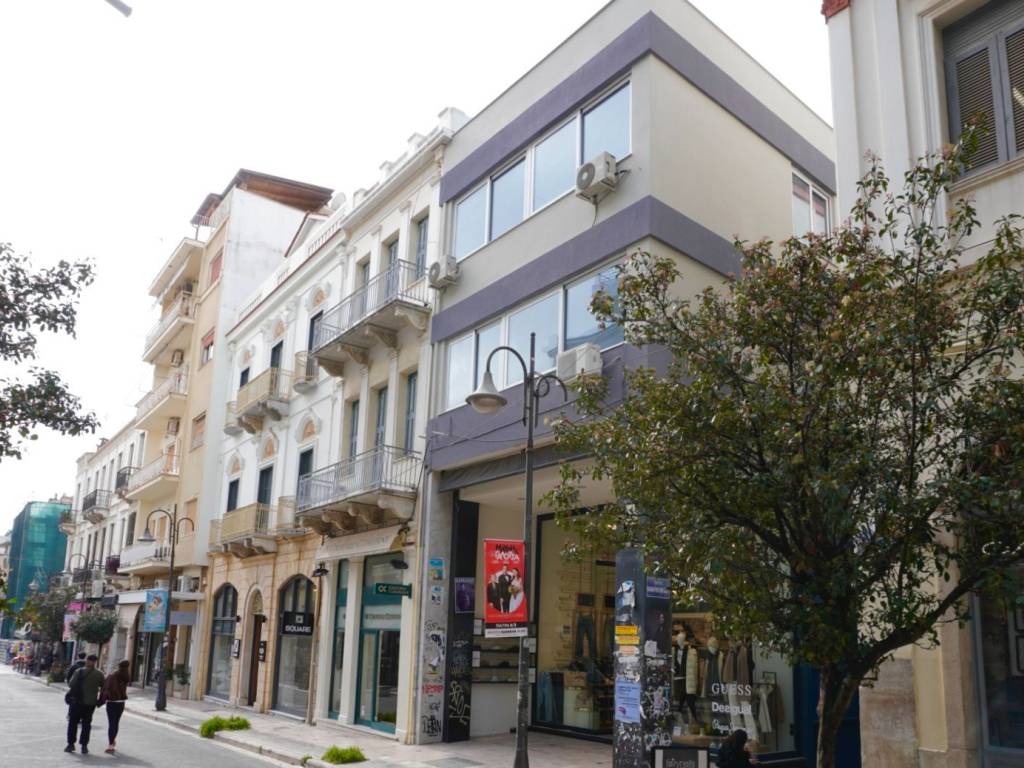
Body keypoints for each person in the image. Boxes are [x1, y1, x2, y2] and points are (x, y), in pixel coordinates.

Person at [65, 654, 105, 754]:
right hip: (90, 704)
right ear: (95, 662)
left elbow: (71, 684)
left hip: (77, 702)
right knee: (86, 725)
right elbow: (104, 688)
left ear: (87, 660)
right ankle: (84, 746)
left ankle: (70, 744)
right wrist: (100, 700)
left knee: (73, 723)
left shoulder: (79, 671)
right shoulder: (99, 674)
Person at [101, 660, 131, 755]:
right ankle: (112, 740)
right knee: (116, 723)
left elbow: (105, 687)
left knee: (112, 723)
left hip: (112, 702)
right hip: (121, 703)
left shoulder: (112, 675)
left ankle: (110, 744)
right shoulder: (126, 676)